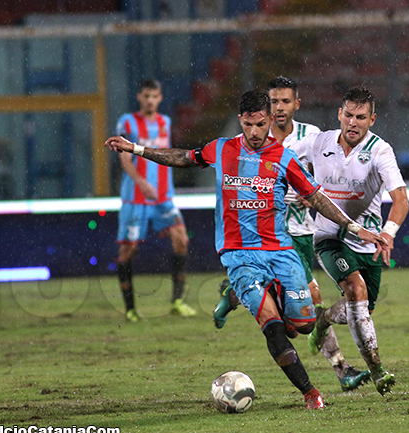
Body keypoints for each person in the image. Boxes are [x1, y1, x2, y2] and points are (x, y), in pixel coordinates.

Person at [105, 90, 386, 409]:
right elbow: (183, 157)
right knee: (274, 328)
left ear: (270, 120)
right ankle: (310, 393)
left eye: (261, 124)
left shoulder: (284, 158)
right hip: (239, 255)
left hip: (281, 253)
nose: (254, 132)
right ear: (241, 120)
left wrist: (354, 227)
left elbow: (317, 198)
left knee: (305, 325)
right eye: (248, 124)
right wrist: (136, 149)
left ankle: (238, 295)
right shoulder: (222, 149)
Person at [294, 86, 409, 395]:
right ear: (339, 114)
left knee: (360, 309)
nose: (353, 122)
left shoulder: (380, 151)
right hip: (329, 237)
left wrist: (388, 233)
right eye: (348, 115)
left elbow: (401, 198)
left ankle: (322, 321)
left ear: (372, 120)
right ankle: (378, 370)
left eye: (360, 117)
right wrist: (304, 188)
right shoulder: (319, 142)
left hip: (368, 241)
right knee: (356, 290)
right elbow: (286, 162)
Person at [265, 75, 372, 392]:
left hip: (301, 232)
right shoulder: (254, 139)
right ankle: (342, 370)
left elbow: (328, 171)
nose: (279, 107)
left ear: (296, 104)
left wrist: (312, 191)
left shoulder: (311, 136)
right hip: (270, 233)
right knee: (308, 302)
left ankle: (233, 292)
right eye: (274, 101)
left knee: (299, 315)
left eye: (285, 101)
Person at [114, 79, 196, 322]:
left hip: (163, 198)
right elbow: (124, 157)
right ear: (139, 97)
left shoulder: (165, 122)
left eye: (154, 96)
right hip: (135, 198)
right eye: (146, 96)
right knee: (128, 250)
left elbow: (165, 154)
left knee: (181, 239)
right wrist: (141, 182)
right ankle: (130, 309)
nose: (150, 100)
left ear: (160, 98)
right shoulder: (127, 122)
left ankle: (177, 301)